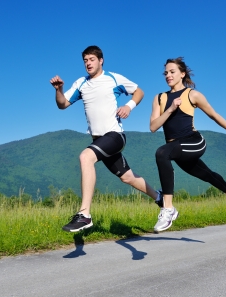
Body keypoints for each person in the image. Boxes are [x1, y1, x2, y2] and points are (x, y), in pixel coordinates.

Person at [50, 45, 162, 232]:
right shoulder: (81, 83)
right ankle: (160, 198)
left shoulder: (113, 78)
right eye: (85, 60)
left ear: (101, 61)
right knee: (128, 177)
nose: (88, 63)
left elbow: (139, 91)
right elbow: (62, 105)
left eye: (91, 59)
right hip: (99, 141)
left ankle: (84, 214)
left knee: (86, 157)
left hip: (115, 136)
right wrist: (59, 90)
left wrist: (129, 106)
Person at [149, 57, 226, 233]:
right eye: (166, 73)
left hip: (193, 142)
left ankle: (168, 209)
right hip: (176, 149)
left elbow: (213, 114)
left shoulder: (192, 94)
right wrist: (171, 109)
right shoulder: (159, 98)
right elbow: (153, 126)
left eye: (172, 72)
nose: (168, 75)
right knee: (207, 175)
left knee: (161, 153)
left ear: (182, 73)